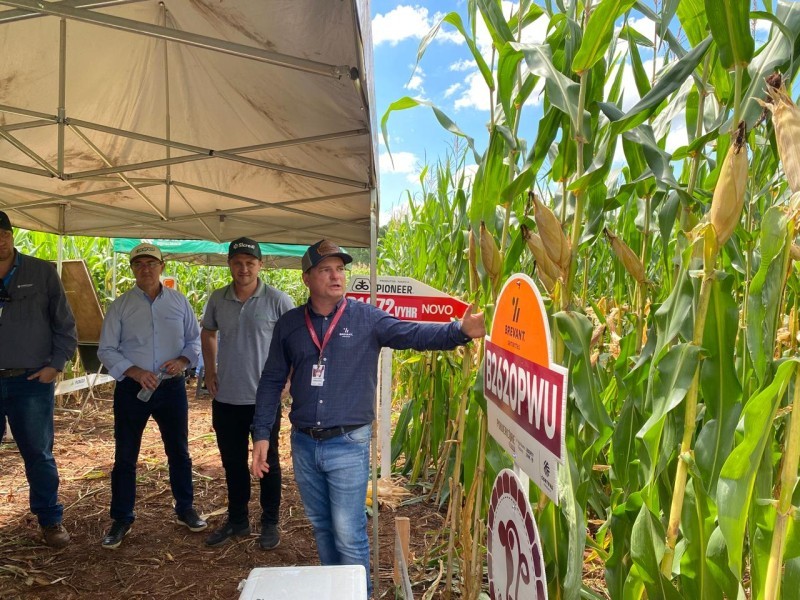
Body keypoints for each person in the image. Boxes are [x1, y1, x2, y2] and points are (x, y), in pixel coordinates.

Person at [250, 239, 485, 595]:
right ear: (307, 279)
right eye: (326, 269)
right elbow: (270, 381)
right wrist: (261, 435)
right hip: (303, 442)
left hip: (348, 443)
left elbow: (412, 333)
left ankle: (359, 594)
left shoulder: (366, 317)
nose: (336, 276)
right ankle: (336, 590)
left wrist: (458, 332)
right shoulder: (290, 325)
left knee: (348, 531)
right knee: (321, 526)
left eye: (340, 269)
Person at [98, 243, 205, 549]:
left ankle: (185, 508)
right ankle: (121, 518)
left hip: (170, 388)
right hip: (133, 390)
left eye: (151, 263)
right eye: (139, 264)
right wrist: (133, 371)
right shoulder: (120, 305)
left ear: (162, 266)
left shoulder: (179, 302)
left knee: (179, 452)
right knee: (125, 456)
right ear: (132, 269)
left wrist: (183, 361)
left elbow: (193, 339)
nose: (145, 268)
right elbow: (106, 348)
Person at [200, 237, 294, 549]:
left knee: (268, 462)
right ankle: (238, 519)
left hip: (264, 400)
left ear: (260, 265)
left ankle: (269, 521)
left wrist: (289, 379)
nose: (244, 269)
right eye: (238, 263)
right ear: (229, 264)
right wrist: (210, 370)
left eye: (250, 263)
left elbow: (294, 343)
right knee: (232, 461)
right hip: (227, 396)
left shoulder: (278, 300)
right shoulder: (218, 299)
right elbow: (208, 332)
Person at [0, 210, 77, 548]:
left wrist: (56, 364)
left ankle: (50, 520)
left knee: (38, 453)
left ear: (11, 234)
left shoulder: (41, 271)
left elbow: (65, 325)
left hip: (30, 381)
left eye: (3, 234)